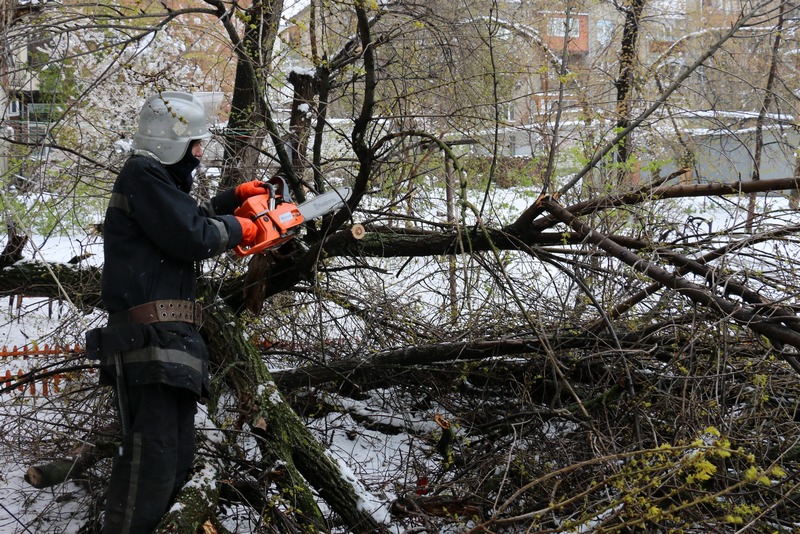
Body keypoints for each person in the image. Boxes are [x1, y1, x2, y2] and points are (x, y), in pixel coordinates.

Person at [86, 91, 268, 533]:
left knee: (174, 462)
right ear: (172, 143)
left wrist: (229, 201)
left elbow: (187, 219)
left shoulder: (155, 187)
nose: (201, 154)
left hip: (168, 344)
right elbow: (191, 235)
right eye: (196, 145)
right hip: (150, 343)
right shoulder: (142, 173)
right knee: (150, 470)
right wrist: (241, 226)